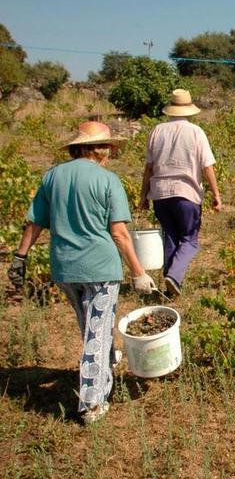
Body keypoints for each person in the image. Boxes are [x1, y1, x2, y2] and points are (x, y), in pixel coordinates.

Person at [7, 121, 157, 425]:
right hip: (100, 269)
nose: (112, 152)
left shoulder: (53, 176)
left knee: (91, 327)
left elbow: (35, 221)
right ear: (97, 149)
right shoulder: (108, 180)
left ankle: (103, 366)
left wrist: (19, 257)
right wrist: (139, 273)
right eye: (109, 146)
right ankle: (92, 402)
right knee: (97, 332)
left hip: (65, 268)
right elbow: (119, 233)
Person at [139, 89, 222, 297]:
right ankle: (174, 277)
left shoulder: (157, 131)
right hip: (187, 193)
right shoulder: (195, 132)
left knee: (170, 237)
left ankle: (170, 288)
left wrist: (143, 197)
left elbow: (148, 168)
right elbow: (207, 167)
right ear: (189, 110)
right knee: (189, 240)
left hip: (160, 194)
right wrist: (216, 195)